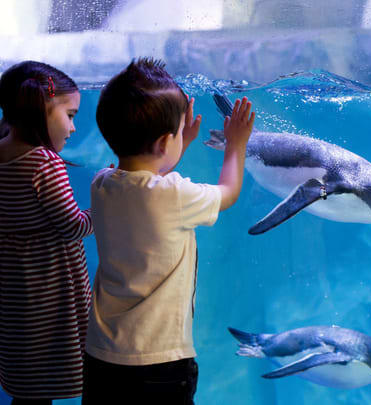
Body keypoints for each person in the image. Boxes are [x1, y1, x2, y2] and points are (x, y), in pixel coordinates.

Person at [82, 58, 255, 405]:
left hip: (102, 356)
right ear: (164, 143)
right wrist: (236, 143)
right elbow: (229, 192)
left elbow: (144, 183)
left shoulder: (101, 184)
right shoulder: (175, 195)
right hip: (159, 361)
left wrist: (178, 141)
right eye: (179, 131)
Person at [0, 61, 93, 404]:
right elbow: (74, 226)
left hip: (10, 288)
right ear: (43, 108)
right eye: (69, 115)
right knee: (56, 363)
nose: (72, 128)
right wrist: (103, 199)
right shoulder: (45, 162)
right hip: (49, 287)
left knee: (28, 382)